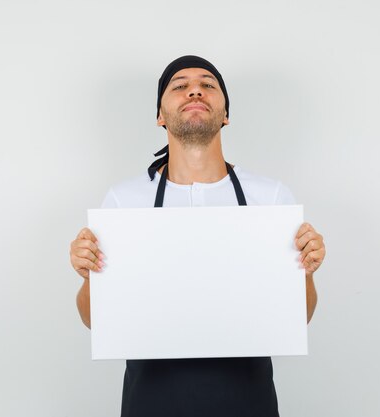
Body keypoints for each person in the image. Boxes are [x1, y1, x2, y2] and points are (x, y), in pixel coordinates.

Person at [69, 55, 326, 417]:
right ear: (160, 116)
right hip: (151, 401)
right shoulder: (124, 201)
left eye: (208, 84)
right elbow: (95, 320)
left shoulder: (270, 198)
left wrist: (307, 270)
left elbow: (296, 317)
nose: (195, 90)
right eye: (179, 86)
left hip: (246, 400)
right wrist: (87, 275)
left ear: (225, 114)